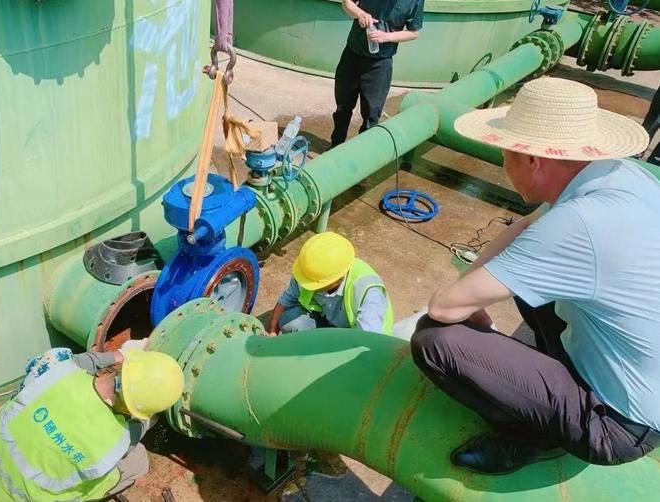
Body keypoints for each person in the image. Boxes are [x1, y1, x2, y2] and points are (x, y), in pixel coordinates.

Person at [410, 77, 659, 474]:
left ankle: (531, 435)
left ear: (533, 160)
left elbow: (442, 309)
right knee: (523, 284)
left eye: (505, 154)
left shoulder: (577, 224)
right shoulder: (616, 175)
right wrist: (471, 294)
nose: (503, 164)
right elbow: (522, 230)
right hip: (640, 378)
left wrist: (465, 301)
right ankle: (547, 386)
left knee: (434, 339)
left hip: (621, 424)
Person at [0, 342, 184, 501]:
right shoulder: (119, 439)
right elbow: (140, 426)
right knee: (139, 461)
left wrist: (119, 355)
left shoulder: (57, 367)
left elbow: (81, 361)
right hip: (27, 497)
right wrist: (151, 414)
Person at [331, 0, 424, 148]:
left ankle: (362, 153)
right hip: (352, 55)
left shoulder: (414, 1)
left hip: (380, 63)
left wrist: (386, 37)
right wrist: (359, 14)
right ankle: (335, 145)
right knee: (343, 107)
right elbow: (346, 3)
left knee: (371, 116)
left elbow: (414, 32)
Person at [269, 231, 393, 335]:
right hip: (324, 319)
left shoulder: (367, 292)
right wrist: (272, 332)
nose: (307, 284)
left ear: (337, 280)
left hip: (354, 335)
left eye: (315, 284)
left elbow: (367, 340)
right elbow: (286, 300)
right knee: (289, 321)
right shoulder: (308, 270)